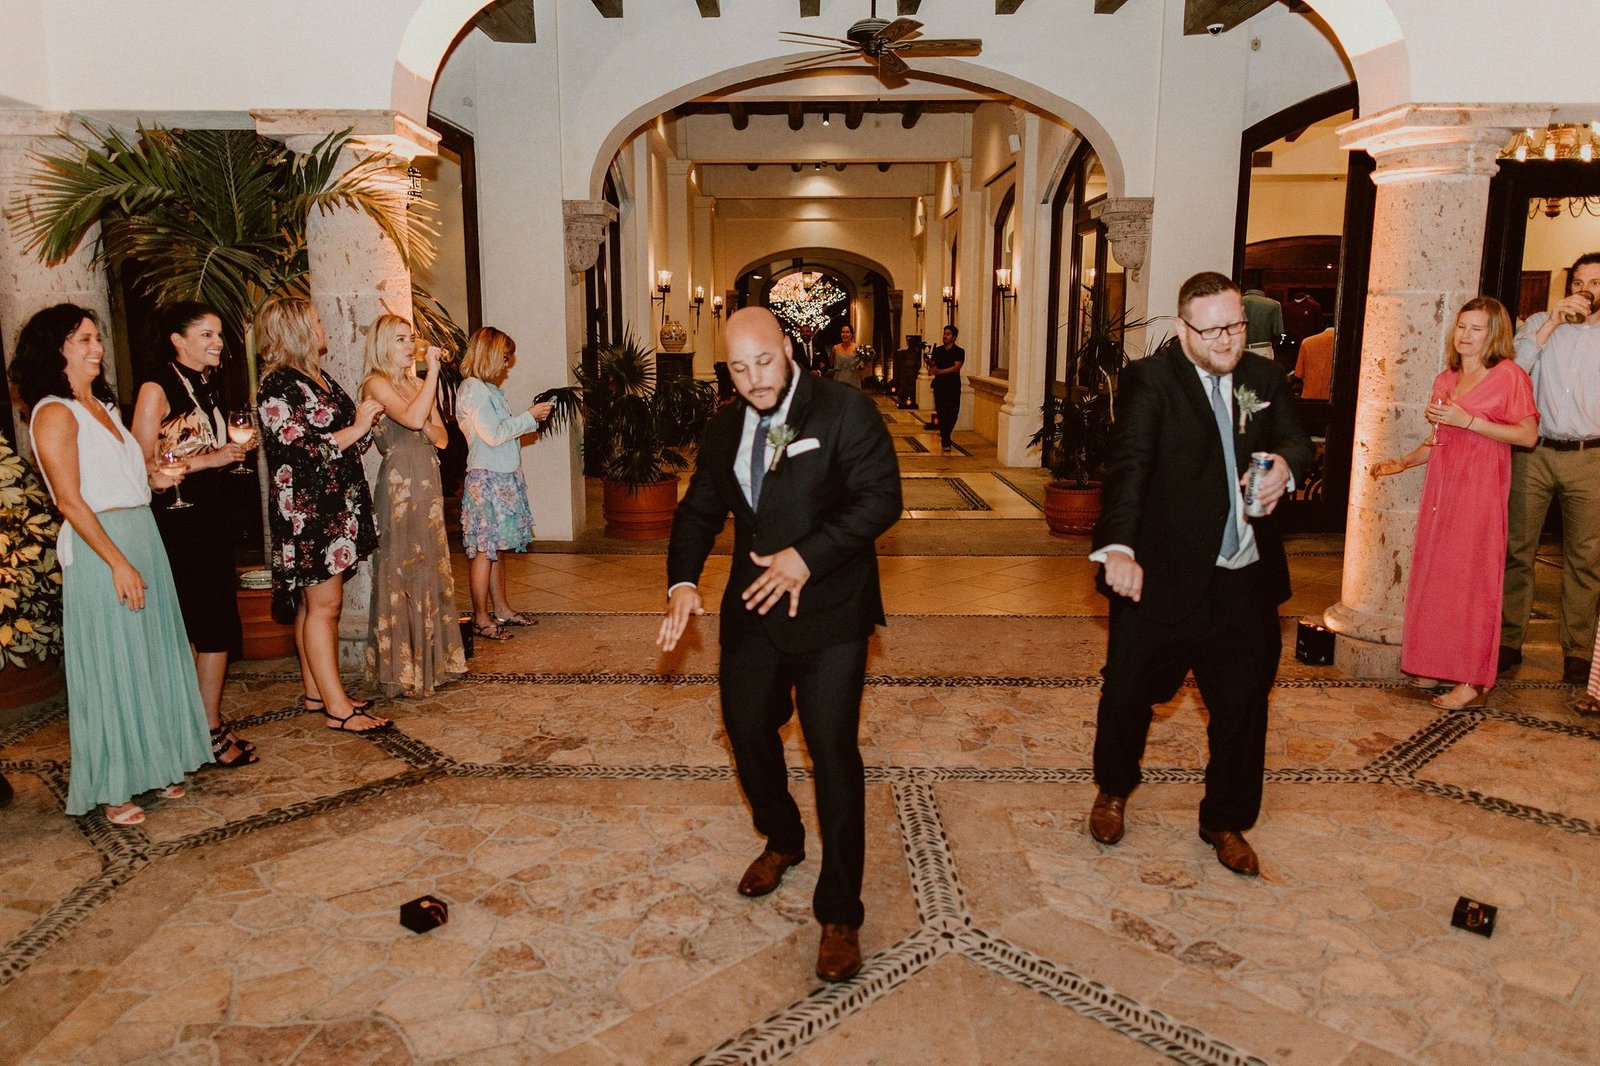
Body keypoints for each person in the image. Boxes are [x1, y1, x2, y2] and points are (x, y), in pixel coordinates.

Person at [657, 307, 901, 983]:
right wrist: (681, 582)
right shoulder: (725, 424)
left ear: (789, 348)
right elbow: (700, 509)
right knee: (745, 728)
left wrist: (807, 557)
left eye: (763, 362)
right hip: (753, 611)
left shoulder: (844, 410)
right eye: (738, 368)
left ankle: (840, 913)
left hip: (831, 614)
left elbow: (880, 499)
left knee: (831, 749)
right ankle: (784, 836)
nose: (754, 379)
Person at [1087, 272, 1311, 876]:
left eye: (1234, 326)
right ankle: (1113, 788)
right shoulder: (1151, 382)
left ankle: (1225, 819)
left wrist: (1285, 466)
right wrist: (1119, 547)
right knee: (1129, 692)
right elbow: (1128, 467)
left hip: (1243, 577)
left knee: (1243, 707)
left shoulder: (1262, 378)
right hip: (1160, 573)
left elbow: (1295, 436)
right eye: (1211, 329)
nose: (1225, 340)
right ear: (1183, 327)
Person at [11, 304, 211, 824]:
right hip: (101, 546)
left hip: (141, 530)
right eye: (83, 340)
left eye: (97, 338)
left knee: (149, 654)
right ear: (56, 349)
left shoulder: (99, 405)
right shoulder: (54, 411)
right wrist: (118, 563)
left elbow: (122, 473)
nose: (97, 348)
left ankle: (156, 761)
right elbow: (70, 500)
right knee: (111, 662)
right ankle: (114, 785)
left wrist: (154, 478)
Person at [1371, 298, 1539, 710]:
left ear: (1494, 333)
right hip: (1442, 490)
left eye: (1476, 328)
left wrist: (1472, 422)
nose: (1465, 335)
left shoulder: (1509, 376)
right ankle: (1432, 662)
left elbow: (1528, 436)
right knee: (1436, 577)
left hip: (1480, 492)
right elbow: (1441, 438)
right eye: (1462, 326)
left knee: (1473, 583)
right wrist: (1404, 461)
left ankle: (1471, 679)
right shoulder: (1446, 378)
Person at [130, 302, 258, 769]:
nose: (217, 343)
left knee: (215, 623)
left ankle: (199, 724)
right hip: (180, 522)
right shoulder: (155, 388)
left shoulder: (209, 385)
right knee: (208, 624)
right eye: (205, 335)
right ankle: (204, 730)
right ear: (177, 340)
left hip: (213, 518)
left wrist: (234, 452)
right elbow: (140, 464)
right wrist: (209, 460)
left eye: (219, 335)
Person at [255, 297, 390, 733]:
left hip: (337, 505)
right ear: (296, 331)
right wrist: (356, 428)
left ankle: (316, 690)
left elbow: (348, 439)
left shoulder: (318, 377)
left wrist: (366, 426)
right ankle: (338, 708)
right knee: (325, 607)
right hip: (309, 512)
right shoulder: (278, 386)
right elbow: (303, 451)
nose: (322, 327)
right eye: (315, 322)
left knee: (312, 606)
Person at [1502, 252, 1600, 688]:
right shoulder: (1541, 321)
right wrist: (1551, 325)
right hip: (1535, 453)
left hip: (1591, 457)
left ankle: (1577, 651)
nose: (1585, 290)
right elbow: (1512, 374)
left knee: (1586, 558)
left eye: (1596, 282)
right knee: (1516, 549)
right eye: (1579, 281)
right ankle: (1507, 641)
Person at [360, 314, 468, 698]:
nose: (411, 346)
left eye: (411, 339)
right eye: (402, 339)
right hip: (400, 483)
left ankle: (434, 664)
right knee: (400, 570)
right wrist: (428, 392)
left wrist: (425, 396)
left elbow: (440, 439)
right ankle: (402, 671)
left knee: (430, 566)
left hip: (428, 477)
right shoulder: (375, 383)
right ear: (385, 344)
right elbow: (415, 418)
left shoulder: (418, 383)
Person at [455, 326, 554, 641]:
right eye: (504, 357)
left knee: (497, 549)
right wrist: (529, 416)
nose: (506, 365)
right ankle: (481, 618)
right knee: (485, 551)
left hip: (501, 476)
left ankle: (501, 609)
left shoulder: (489, 390)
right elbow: (494, 434)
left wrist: (528, 420)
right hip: (485, 479)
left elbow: (501, 435)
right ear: (488, 354)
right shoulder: (472, 389)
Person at [926, 325, 965, 452]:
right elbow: (932, 369)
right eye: (944, 334)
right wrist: (930, 366)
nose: (945, 336)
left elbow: (956, 367)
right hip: (940, 386)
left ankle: (946, 435)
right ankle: (946, 440)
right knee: (942, 413)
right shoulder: (938, 351)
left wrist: (939, 371)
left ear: (954, 337)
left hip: (953, 385)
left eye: (948, 334)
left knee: (953, 413)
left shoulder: (959, 351)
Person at [829, 324, 865, 389]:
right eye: (843, 332)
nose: (845, 334)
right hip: (839, 381)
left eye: (847, 332)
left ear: (851, 335)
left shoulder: (858, 348)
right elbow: (831, 363)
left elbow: (862, 366)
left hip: (853, 381)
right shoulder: (835, 348)